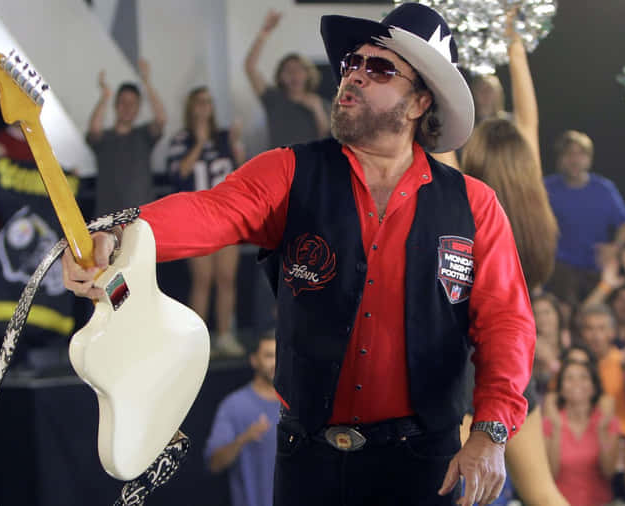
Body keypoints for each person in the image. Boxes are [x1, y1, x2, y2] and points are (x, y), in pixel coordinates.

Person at [63, 5, 535, 506]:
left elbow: (507, 323)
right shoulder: (289, 171)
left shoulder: (473, 205)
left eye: (378, 69)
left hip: (424, 466)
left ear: (419, 102)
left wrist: (491, 428)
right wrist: (118, 236)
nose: (352, 74)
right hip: (310, 462)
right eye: (353, 62)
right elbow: (209, 211)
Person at [459, 19, 565, 506]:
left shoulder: (464, 201)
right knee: (543, 493)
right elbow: (531, 120)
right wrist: (514, 40)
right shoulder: (532, 203)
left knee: (466, 497)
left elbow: (438, 132)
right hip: (518, 373)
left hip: (470, 373)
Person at [0, 123, 79, 369]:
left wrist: (69, 177)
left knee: (41, 290)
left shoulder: (40, 140)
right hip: (2, 233)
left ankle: (38, 352)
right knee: (8, 295)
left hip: (38, 233)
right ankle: (12, 358)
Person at [167, 86, 246, 357]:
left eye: (208, 102)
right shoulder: (182, 139)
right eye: (199, 102)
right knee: (203, 279)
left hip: (226, 215)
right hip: (195, 218)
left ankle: (225, 335)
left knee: (227, 278)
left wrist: (237, 144)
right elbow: (178, 174)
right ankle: (196, 342)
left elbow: (241, 172)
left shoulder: (223, 137)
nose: (204, 107)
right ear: (190, 106)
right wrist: (199, 142)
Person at [544, 129, 625, 307]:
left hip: (595, 269)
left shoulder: (604, 188)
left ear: (589, 158)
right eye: (569, 154)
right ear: (560, 158)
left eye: (581, 154)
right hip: (560, 270)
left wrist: (614, 247)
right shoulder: (547, 187)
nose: (575, 159)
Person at [204, 332, 281, 506]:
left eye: (279, 355)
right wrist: (244, 438)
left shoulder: (296, 404)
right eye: (269, 356)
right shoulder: (234, 405)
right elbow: (214, 463)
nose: (275, 362)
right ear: (254, 360)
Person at [86, 59, 166, 217]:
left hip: (141, 219)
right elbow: (94, 129)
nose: (128, 107)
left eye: (133, 103)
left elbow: (161, 119)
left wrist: (147, 82)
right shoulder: (104, 139)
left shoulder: (144, 135)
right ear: (116, 105)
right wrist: (105, 97)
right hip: (108, 220)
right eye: (123, 102)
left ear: (138, 108)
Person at [245, 10, 330, 149]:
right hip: (278, 165)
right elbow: (250, 67)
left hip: (308, 165)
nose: (294, 75)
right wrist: (264, 33)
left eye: (299, 70)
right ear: (280, 76)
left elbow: (326, 141)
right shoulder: (273, 98)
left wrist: (318, 111)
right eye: (288, 71)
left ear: (308, 74)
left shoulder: (321, 103)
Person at [543, 359, 620, 506]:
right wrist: (557, 428)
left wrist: (601, 431)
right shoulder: (550, 423)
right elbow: (550, 474)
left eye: (583, 377)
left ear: (593, 387)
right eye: (569, 378)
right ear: (561, 389)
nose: (576, 383)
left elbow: (609, 471)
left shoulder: (608, 422)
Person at [577, 303, 625, 437]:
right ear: (582, 334)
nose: (596, 335)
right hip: (582, 442)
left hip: (623, 436)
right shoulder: (575, 364)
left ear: (612, 332)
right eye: (590, 329)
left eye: (602, 328)